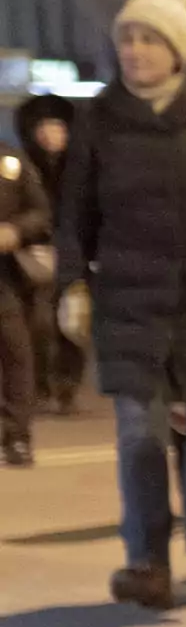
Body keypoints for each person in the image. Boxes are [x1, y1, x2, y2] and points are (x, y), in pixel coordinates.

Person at [54, 0, 186, 608]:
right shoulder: (97, 122)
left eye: (149, 39)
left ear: (178, 51)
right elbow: (75, 215)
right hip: (128, 304)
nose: (135, 50)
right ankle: (145, 556)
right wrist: (72, 284)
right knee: (138, 436)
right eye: (127, 39)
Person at [15, 96, 79, 413]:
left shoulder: (80, 167)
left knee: (73, 322)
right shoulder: (22, 165)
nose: (51, 135)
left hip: (73, 253)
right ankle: (39, 385)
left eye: (57, 128)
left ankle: (67, 386)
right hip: (32, 255)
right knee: (38, 323)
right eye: (44, 128)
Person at [0, 122, 51, 467]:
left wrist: (16, 229)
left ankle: (17, 436)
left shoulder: (10, 161)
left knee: (16, 353)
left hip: (5, 278)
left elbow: (41, 212)